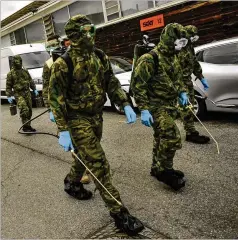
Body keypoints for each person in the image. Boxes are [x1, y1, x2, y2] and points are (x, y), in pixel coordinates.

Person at [48, 14, 144, 235]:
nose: (91, 35)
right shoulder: (63, 64)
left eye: (92, 30)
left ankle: (72, 182)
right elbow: (55, 98)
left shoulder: (100, 56)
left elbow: (111, 81)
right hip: (76, 120)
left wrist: (124, 103)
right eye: (85, 32)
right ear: (74, 36)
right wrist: (62, 129)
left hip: (96, 116)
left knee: (85, 156)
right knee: (99, 164)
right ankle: (120, 214)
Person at [131, 23, 189, 191]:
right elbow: (137, 85)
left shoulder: (173, 57)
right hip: (155, 107)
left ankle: (157, 168)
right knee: (172, 137)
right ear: (170, 39)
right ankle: (165, 171)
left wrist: (182, 92)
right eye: (179, 42)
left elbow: (177, 79)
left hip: (170, 105)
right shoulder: (149, 59)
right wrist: (143, 109)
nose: (181, 46)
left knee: (160, 137)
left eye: (184, 43)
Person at [43, 36, 91, 184]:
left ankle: (85, 166)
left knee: (85, 139)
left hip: (78, 106)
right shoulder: (50, 63)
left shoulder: (71, 57)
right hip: (62, 108)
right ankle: (80, 171)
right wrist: (50, 108)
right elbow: (47, 88)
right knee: (75, 141)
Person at [178, 25, 210, 144]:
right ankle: (190, 133)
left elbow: (194, 63)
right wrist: (181, 90)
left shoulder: (189, 47)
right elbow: (174, 71)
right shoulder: (178, 49)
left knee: (188, 107)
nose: (193, 39)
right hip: (180, 83)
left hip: (187, 81)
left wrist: (201, 77)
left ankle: (190, 131)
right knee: (186, 108)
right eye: (191, 37)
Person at [6, 55, 38, 132]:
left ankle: (28, 126)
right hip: (18, 94)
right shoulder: (10, 74)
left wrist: (34, 89)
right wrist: (8, 96)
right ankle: (25, 127)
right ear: (14, 63)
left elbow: (30, 81)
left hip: (27, 93)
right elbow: (8, 86)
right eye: (16, 62)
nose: (18, 63)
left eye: (19, 62)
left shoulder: (25, 71)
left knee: (29, 111)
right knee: (24, 109)